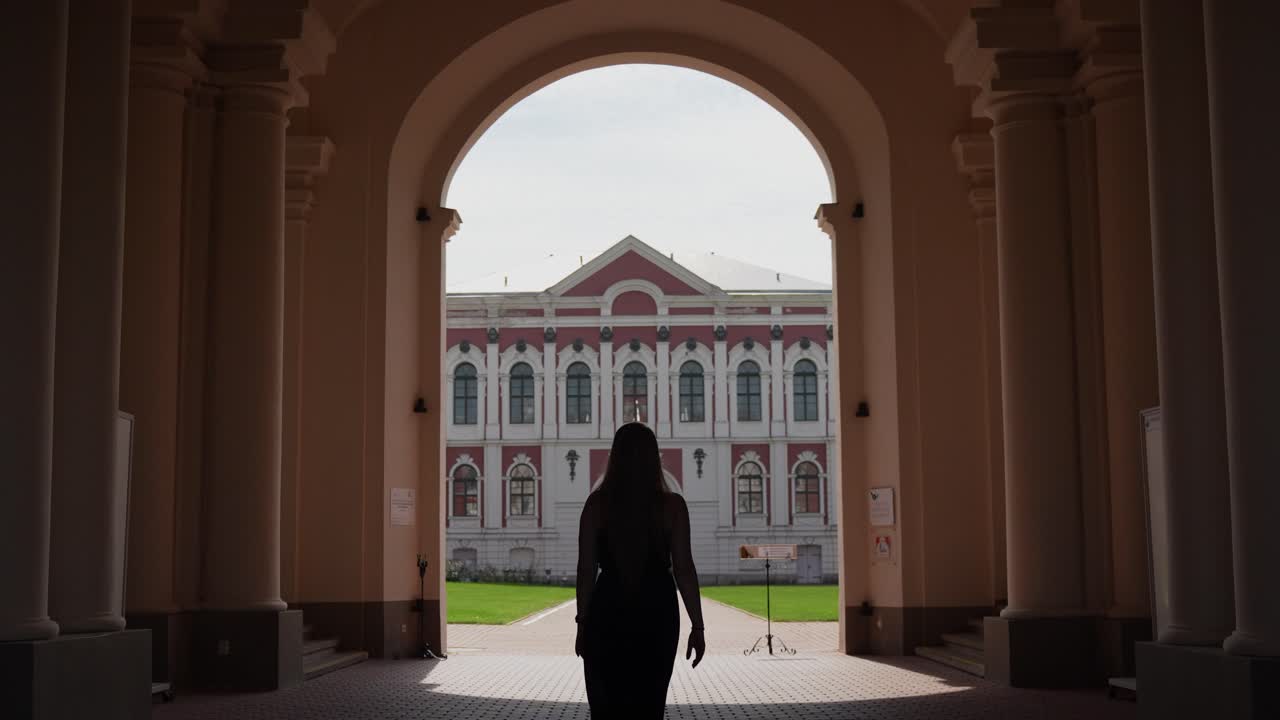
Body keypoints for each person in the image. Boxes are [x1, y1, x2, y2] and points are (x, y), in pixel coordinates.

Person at [574, 422, 706, 718]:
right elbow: (684, 569)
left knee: (606, 707)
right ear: (654, 457)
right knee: (649, 704)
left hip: (608, 609)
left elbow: (586, 569)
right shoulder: (673, 507)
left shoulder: (597, 505)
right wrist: (697, 626)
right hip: (656, 610)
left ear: (614, 457)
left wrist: (582, 623)